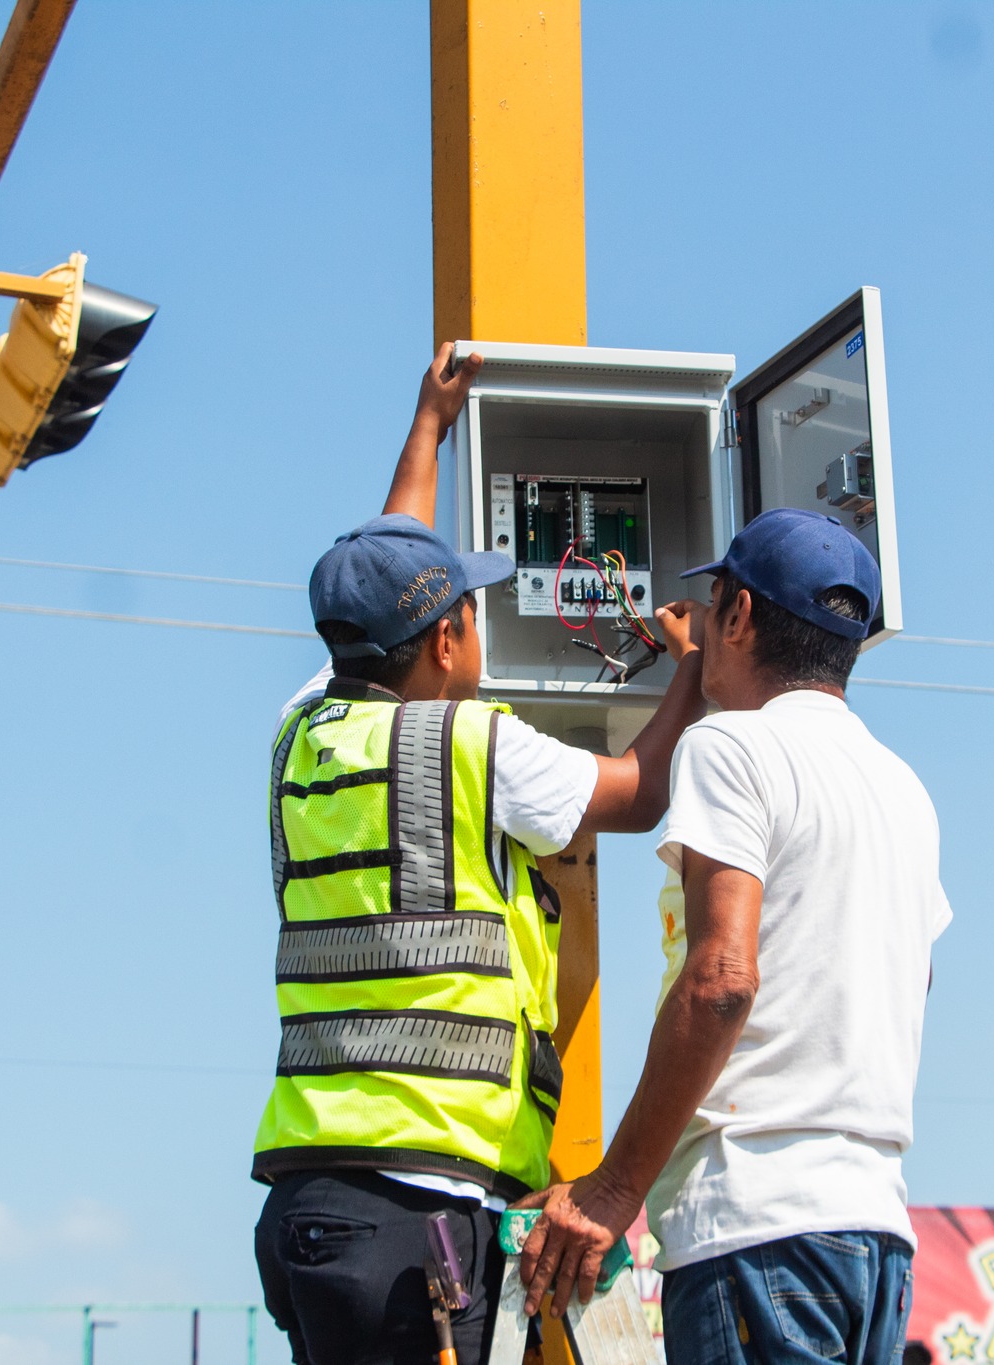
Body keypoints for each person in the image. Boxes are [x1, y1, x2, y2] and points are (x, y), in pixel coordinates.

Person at [251, 344, 709, 1365]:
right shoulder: (474, 744)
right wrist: (689, 668)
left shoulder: (297, 734)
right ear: (447, 644)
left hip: (309, 1204)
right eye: (463, 606)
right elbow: (633, 796)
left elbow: (378, 581)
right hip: (423, 1213)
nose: (473, 617)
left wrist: (429, 425)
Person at [513, 507, 953, 1365]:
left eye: (714, 605)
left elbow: (721, 979)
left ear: (741, 615)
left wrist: (612, 1189)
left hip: (755, 1223)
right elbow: (910, 981)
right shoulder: (904, 789)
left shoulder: (730, 747)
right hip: (876, 1235)